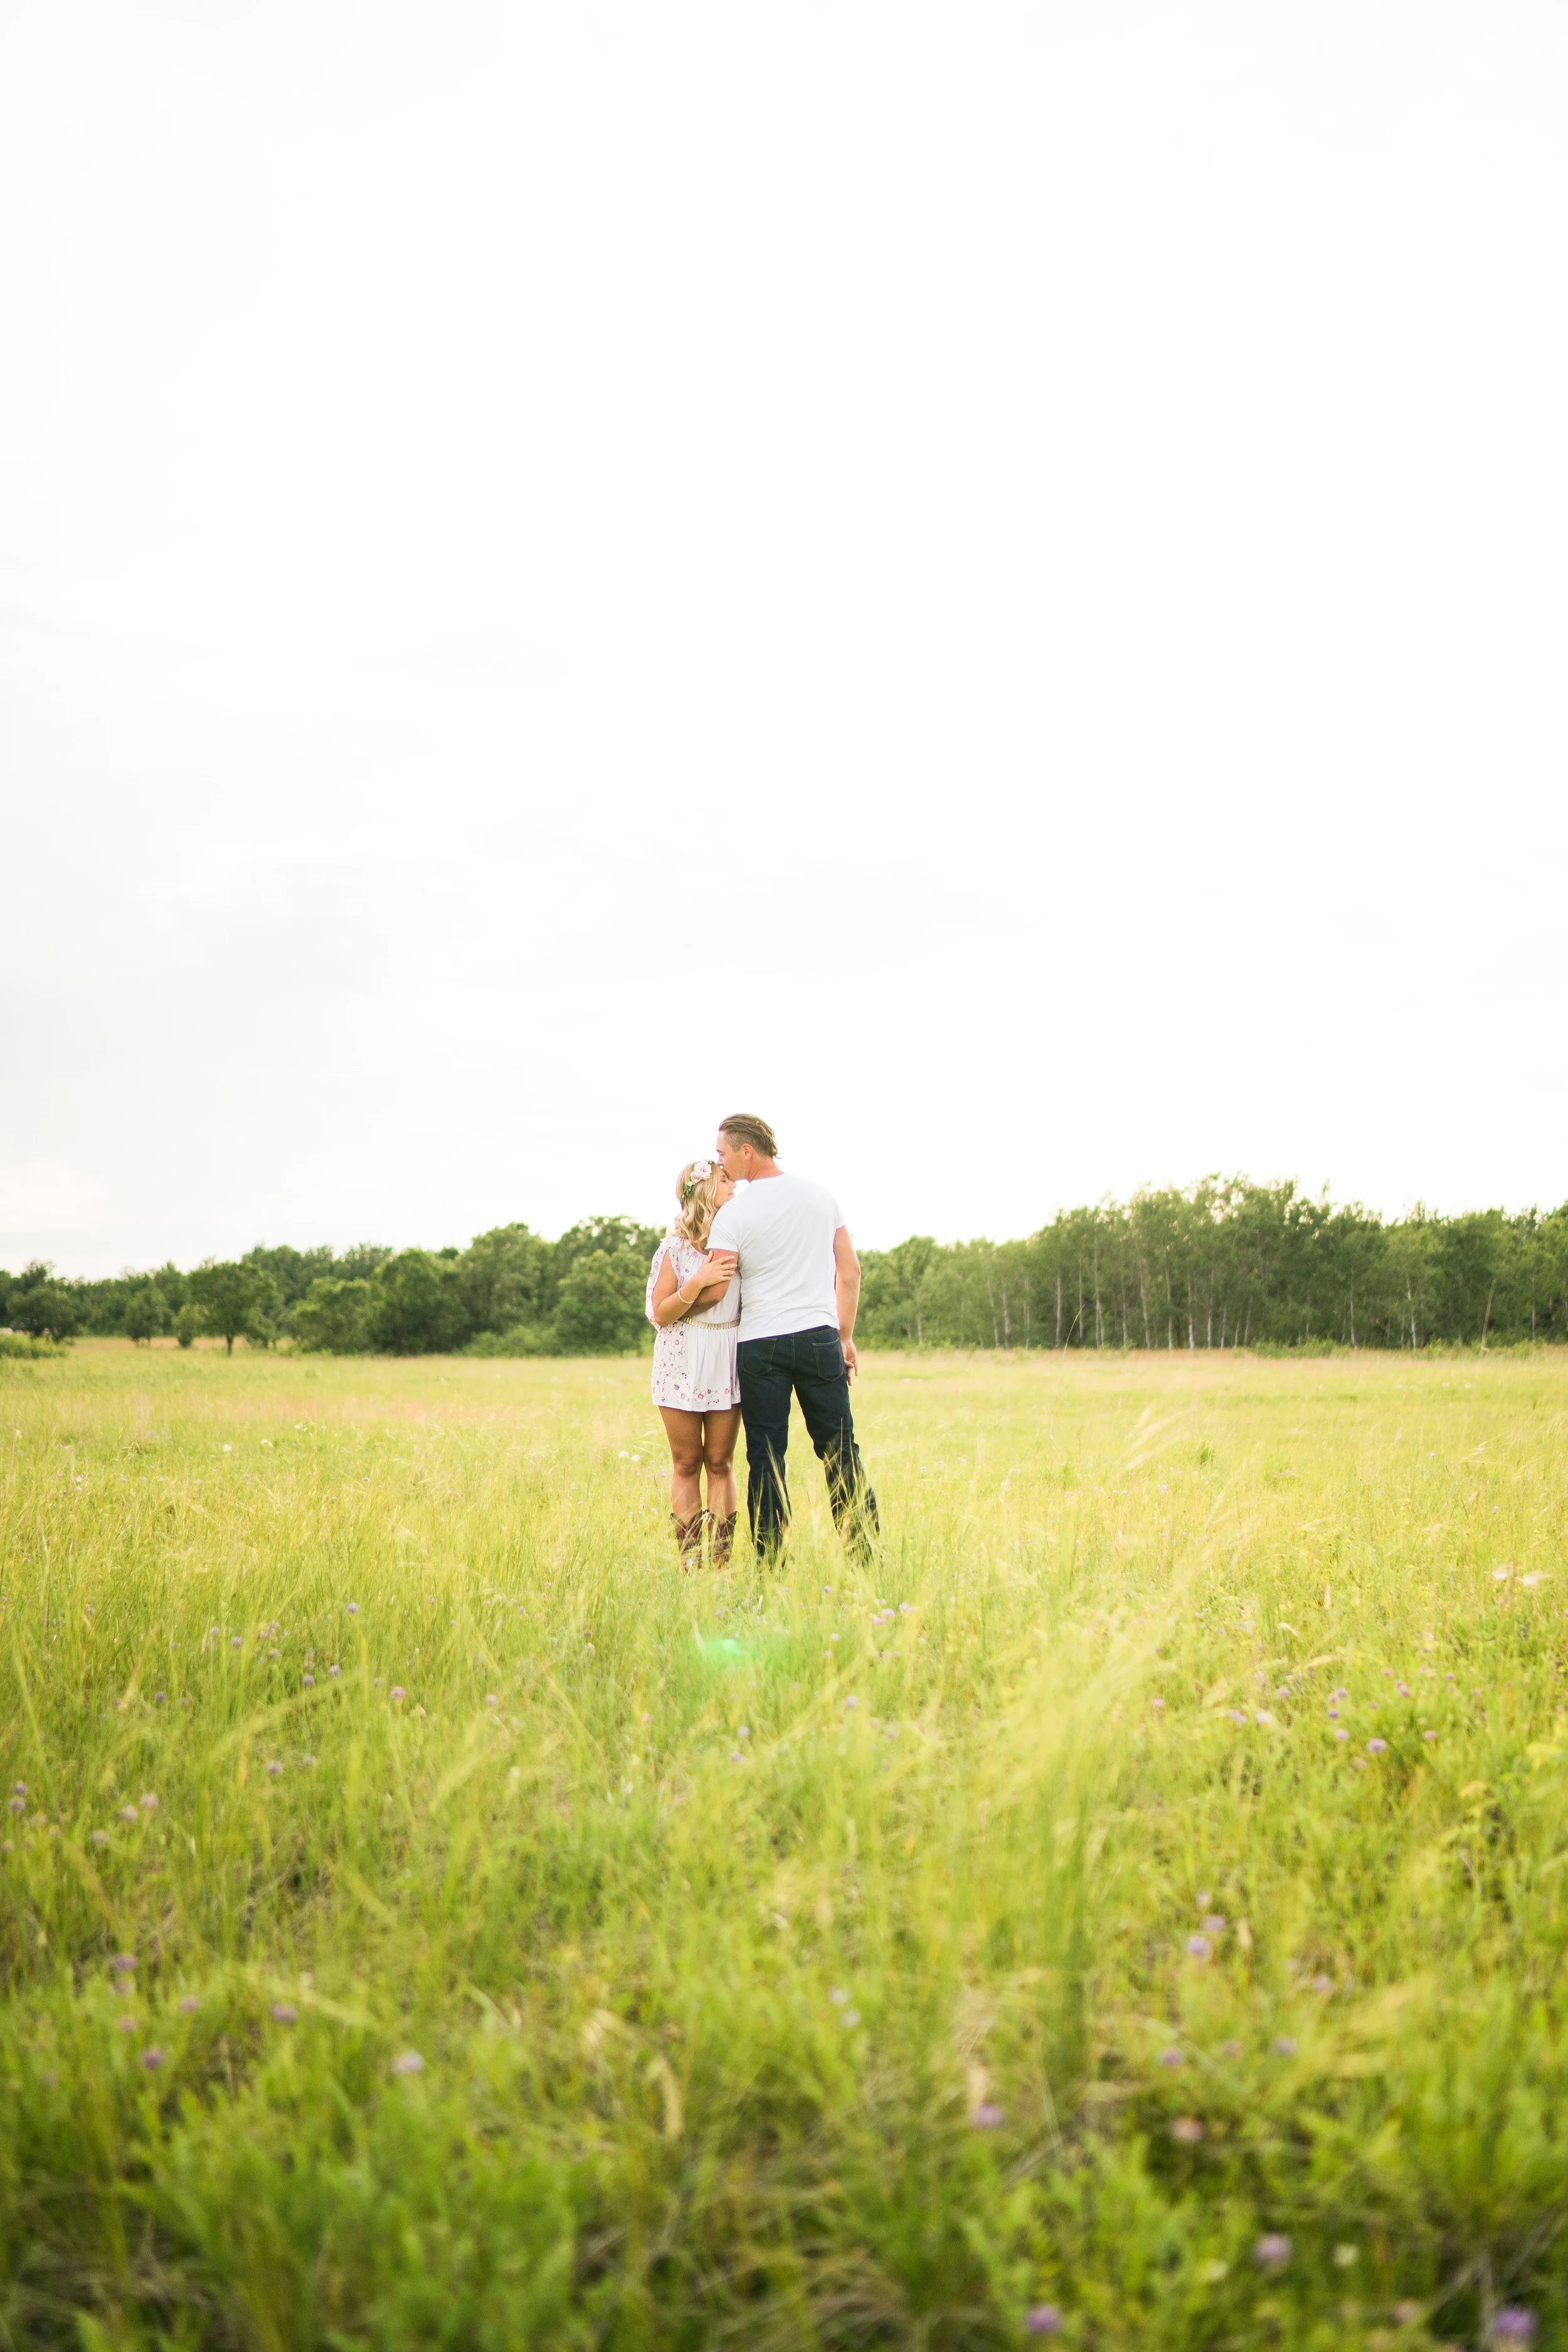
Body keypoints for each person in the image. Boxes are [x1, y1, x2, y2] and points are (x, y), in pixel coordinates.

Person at [702, 1112, 877, 1560]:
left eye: (723, 1154)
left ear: (747, 1151)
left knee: (765, 1456)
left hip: (762, 1344)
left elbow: (718, 1286)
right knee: (840, 1450)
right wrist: (845, 1336)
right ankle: (866, 1554)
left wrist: (676, 1305)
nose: (720, 1164)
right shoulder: (820, 1197)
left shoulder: (733, 1213)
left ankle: (770, 1564)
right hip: (819, 1338)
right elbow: (851, 1272)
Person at [646, 1158, 741, 1569]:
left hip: (727, 1353)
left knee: (720, 1462)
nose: (734, 1189)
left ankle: (720, 1564)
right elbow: (661, 1313)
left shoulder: (740, 1241)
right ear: (702, 1190)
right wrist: (698, 1281)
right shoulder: (673, 1249)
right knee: (687, 1462)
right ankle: (690, 1563)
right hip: (680, 1358)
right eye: (725, 1181)